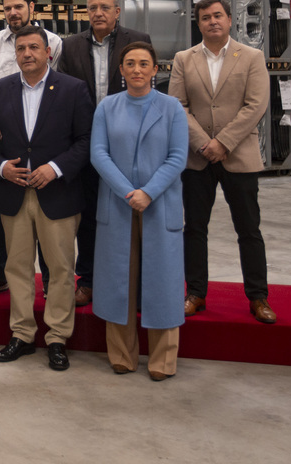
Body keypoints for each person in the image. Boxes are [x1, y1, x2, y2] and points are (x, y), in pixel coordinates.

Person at [0, 25, 92, 371]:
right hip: (13, 193)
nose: (27, 53)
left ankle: (57, 337)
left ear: (48, 52)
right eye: (21, 48)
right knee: (17, 267)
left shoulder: (73, 90)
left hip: (56, 193)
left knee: (60, 269)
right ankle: (22, 334)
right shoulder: (0, 91)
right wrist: (1, 169)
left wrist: (55, 168)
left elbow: (87, 141)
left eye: (33, 47)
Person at [169, 0, 276, 325]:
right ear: (198, 23)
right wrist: (204, 143)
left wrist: (224, 143)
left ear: (230, 20)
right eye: (205, 17)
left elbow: (255, 105)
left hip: (238, 156)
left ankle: (258, 298)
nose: (212, 21)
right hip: (197, 158)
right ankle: (196, 294)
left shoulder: (252, 57)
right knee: (194, 229)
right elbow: (177, 106)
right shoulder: (184, 59)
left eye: (218, 16)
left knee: (248, 229)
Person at [91, 41, 188, 381]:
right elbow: (98, 154)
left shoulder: (172, 108)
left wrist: (148, 192)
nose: (136, 69)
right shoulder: (107, 107)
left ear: (155, 70)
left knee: (163, 281)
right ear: (121, 70)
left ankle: (163, 360)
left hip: (159, 204)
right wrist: (127, 192)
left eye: (143, 64)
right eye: (129, 63)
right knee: (119, 280)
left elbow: (177, 156)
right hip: (118, 205)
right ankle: (121, 354)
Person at [58, 0, 152, 307]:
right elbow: (65, 96)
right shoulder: (70, 47)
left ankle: (131, 280)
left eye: (105, 7)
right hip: (86, 143)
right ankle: (88, 279)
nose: (98, 12)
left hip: (127, 144)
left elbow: (145, 90)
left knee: (126, 214)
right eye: (93, 7)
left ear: (117, 12)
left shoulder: (137, 41)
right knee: (88, 215)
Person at [0, 0, 63, 298]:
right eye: (7, 8)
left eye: (18, 7)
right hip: (3, 140)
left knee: (47, 212)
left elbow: (58, 88)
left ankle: (50, 279)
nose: (13, 13)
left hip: (43, 139)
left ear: (31, 7)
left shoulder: (54, 43)